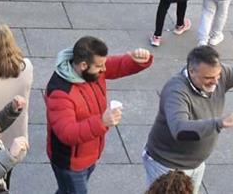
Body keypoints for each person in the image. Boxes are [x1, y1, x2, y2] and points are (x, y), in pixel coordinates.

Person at [143, 46, 233, 190]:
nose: (215, 82)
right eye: (208, 78)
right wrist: (219, 123)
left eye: (217, 76)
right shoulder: (176, 91)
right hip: (167, 166)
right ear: (192, 71)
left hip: (196, 165)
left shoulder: (218, 73)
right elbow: (180, 129)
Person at [45, 36, 153, 194]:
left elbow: (118, 65)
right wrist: (101, 122)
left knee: (66, 191)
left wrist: (137, 60)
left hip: (88, 154)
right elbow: (67, 133)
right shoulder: (60, 93)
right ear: (83, 65)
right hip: (70, 163)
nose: (104, 69)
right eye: (99, 66)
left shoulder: (91, 71)